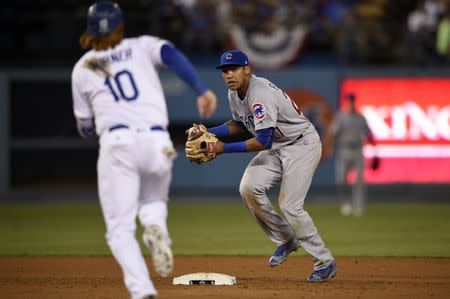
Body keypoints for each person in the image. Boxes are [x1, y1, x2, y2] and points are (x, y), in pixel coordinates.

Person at [71, 2, 217, 299]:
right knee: (153, 201)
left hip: (119, 144)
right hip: (158, 142)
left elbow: (86, 128)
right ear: (120, 26)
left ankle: (143, 291)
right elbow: (171, 55)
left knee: (120, 229)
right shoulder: (141, 45)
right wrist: (201, 89)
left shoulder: (82, 68)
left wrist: (96, 120)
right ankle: (155, 229)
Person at [204, 49, 336, 282]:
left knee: (290, 206)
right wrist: (209, 131)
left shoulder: (260, 92)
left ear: (247, 69)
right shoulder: (234, 93)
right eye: (225, 71)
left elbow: (262, 140)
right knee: (248, 188)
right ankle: (285, 238)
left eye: (233, 69)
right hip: (278, 146)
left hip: (301, 144)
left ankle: (324, 261)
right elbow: (240, 125)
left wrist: (223, 148)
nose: (229, 75)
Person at [323, 93, 376, 216]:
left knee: (359, 181)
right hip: (344, 149)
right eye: (350, 100)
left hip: (358, 149)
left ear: (354, 101)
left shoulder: (360, 118)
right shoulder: (341, 117)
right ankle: (346, 202)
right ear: (347, 102)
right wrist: (330, 147)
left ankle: (358, 207)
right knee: (341, 180)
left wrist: (375, 152)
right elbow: (333, 133)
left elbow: (369, 134)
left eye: (353, 100)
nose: (351, 102)